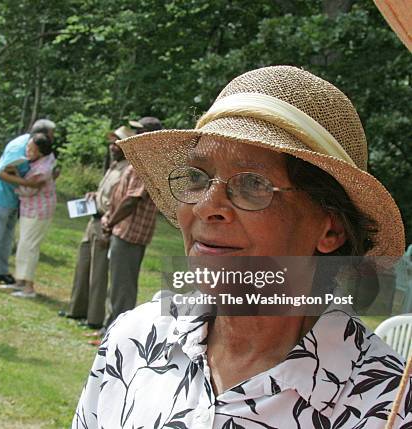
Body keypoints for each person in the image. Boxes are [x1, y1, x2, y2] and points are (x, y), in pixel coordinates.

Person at [73, 66, 411, 428]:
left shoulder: (384, 405)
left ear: (330, 229)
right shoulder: (135, 340)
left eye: (253, 184)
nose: (206, 206)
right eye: (196, 177)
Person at [0, 119, 56, 289]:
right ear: (39, 135)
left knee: (6, 238)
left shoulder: (37, 147)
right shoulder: (20, 148)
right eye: (50, 136)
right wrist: (28, 183)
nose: (52, 140)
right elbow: (1, 173)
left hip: (13, 199)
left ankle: (0, 271)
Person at [61, 126, 135, 328]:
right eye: (111, 143)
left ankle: (93, 319)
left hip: (105, 222)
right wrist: (94, 195)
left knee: (98, 271)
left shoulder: (129, 168)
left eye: (117, 143)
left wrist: (109, 224)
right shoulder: (114, 165)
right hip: (92, 219)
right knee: (83, 264)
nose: (112, 147)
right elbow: (106, 193)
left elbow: (124, 201)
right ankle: (76, 310)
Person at [99, 117, 162, 330]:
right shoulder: (143, 158)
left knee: (122, 288)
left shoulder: (148, 161)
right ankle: (109, 330)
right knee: (117, 285)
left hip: (130, 232)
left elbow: (131, 200)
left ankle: (116, 335)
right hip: (124, 229)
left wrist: (110, 222)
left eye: (137, 131)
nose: (133, 135)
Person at [0, 133, 56, 298]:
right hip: (30, 210)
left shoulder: (42, 170)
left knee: (29, 247)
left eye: (31, 148)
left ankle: (28, 287)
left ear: (40, 152)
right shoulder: (43, 161)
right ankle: (19, 282)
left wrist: (13, 177)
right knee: (23, 244)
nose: (27, 150)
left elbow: (28, 190)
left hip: (38, 211)